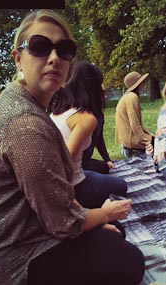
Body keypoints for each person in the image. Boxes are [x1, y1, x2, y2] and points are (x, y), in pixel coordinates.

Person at [0, 10, 143, 285]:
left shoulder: (24, 103)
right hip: (7, 257)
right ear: (18, 58)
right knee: (129, 262)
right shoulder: (25, 124)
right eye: (40, 46)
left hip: (25, 228)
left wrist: (93, 220)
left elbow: (57, 195)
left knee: (113, 233)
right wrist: (103, 214)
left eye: (64, 49)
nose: (54, 58)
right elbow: (64, 222)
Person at [51, 61, 129, 209]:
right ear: (92, 87)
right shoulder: (86, 119)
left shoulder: (57, 113)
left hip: (71, 177)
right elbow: (64, 163)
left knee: (100, 172)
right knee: (121, 185)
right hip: (74, 186)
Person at [115, 71, 155, 159]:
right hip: (132, 144)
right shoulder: (132, 97)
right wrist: (147, 141)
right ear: (138, 84)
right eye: (142, 82)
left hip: (127, 142)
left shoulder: (126, 97)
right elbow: (135, 125)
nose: (144, 84)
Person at [80, 74, 114, 174]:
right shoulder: (83, 114)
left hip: (86, 161)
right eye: (102, 93)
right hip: (77, 163)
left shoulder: (99, 115)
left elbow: (99, 139)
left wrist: (107, 159)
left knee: (105, 167)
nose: (106, 96)